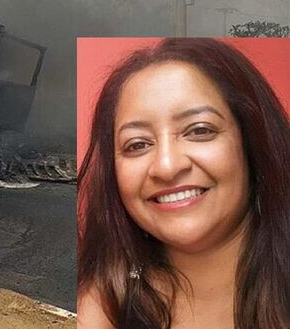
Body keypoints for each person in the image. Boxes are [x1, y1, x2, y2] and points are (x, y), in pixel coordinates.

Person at [77, 38, 290, 329]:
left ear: (252, 142)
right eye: (138, 145)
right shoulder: (102, 305)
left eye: (200, 130)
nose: (166, 166)